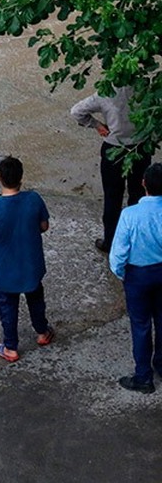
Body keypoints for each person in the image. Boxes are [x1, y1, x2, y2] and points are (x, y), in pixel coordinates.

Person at [0, 156, 55, 363]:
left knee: (7, 306)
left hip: (4, 269)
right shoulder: (34, 199)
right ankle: (42, 332)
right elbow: (44, 226)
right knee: (36, 299)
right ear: (21, 178)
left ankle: (10, 347)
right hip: (31, 265)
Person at [71, 86, 153, 253]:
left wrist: (96, 124)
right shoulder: (146, 89)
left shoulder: (105, 92)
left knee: (112, 197)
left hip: (114, 149)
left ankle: (110, 241)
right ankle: (135, 239)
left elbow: (76, 111)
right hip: (140, 148)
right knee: (137, 195)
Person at [109, 163, 162, 393]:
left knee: (140, 325)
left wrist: (122, 274)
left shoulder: (130, 215)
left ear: (143, 184)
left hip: (138, 275)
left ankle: (143, 377)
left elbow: (118, 254)